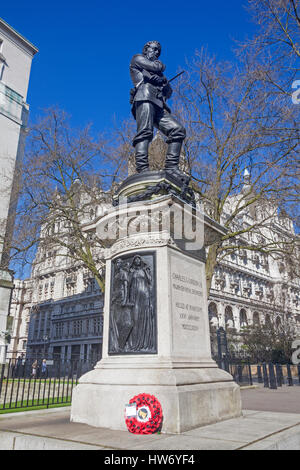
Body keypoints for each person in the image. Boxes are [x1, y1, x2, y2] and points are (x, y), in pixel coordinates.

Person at [130, 41, 186, 173]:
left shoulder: (158, 72)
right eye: (154, 50)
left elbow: (169, 92)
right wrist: (160, 67)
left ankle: (171, 167)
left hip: (159, 104)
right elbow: (155, 67)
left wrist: (164, 83)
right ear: (146, 49)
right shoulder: (137, 59)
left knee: (178, 130)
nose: (156, 53)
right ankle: (142, 169)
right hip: (144, 97)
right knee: (145, 132)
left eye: (158, 52)